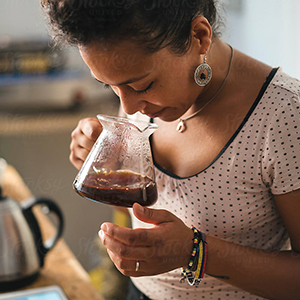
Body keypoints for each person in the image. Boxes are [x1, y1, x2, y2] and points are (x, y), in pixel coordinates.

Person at [41, 1, 300, 299]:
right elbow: (150, 209)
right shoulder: (141, 92)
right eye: (108, 86)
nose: (129, 107)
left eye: (143, 85)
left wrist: (196, 253)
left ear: (200, 37)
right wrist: (105, 166)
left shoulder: (284, 116)